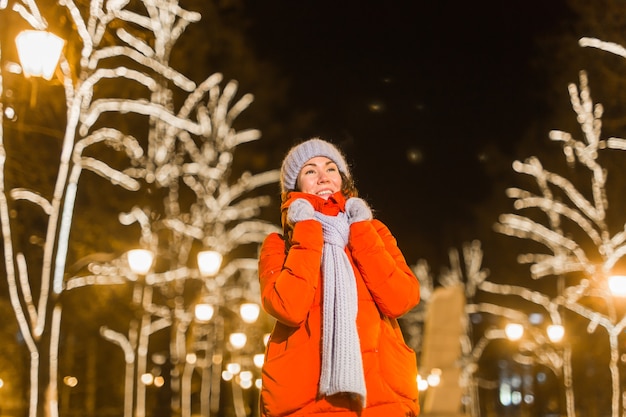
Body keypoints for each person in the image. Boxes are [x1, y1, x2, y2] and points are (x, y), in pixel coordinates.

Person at [258, 137, 421, 417]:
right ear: (294, 187)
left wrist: (359, 228)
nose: (322, 176)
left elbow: (400, 299)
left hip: (381, 398)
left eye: (331, 168)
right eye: (310, 170)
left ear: (342, 180)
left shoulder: (373, 230)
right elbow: (288, 307)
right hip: (306, 401)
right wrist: (306, 228)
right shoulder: (278, 244)